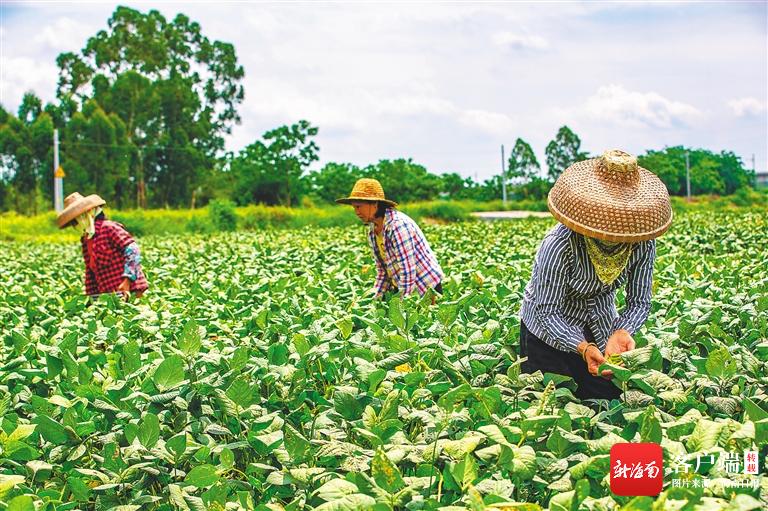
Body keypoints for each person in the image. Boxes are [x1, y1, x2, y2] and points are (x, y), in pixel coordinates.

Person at [519, 149, 672, 400]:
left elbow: (640, 302)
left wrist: (622, 331)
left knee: (605, 399)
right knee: (551, 401)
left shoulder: (643, 242)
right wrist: (582, 347)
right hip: (546, 330)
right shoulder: (559, 244)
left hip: (600, 322)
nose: (616, 233)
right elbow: (548, 311)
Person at [336, 178, 444, 300]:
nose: (356, 212)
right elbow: (383, 271)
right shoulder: (373, 230)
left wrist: (402, 305)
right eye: (354, 207)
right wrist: (374, 301)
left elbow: (408, 271)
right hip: (404, 287)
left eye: (359, 206)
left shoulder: (398, 225)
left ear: (375, 204)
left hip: (426, 288)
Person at [56, 192, 148, 298]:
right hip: (110, 296)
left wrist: (127, 280)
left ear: (87, 214)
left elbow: (133, 250)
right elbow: (91, 273)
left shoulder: (109, 228)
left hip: (131, 291)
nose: (75, 225)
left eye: (75, 221)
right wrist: (90, 299)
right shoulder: (86, 240)